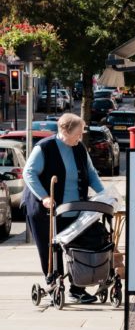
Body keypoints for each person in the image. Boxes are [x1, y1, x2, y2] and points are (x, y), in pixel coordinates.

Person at [23, 113, 107, 304]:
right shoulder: (45, 148)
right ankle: (54, 284)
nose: (81, 136)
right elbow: (29, 173)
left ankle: (77, 288)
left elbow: (91, 174)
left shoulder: (79, 148)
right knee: (50, 249)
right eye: (78, 132)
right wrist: (44, 197)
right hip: (46, 209)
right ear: (65, 130)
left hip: (75, 208)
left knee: (79, 246)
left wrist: (104, 195)